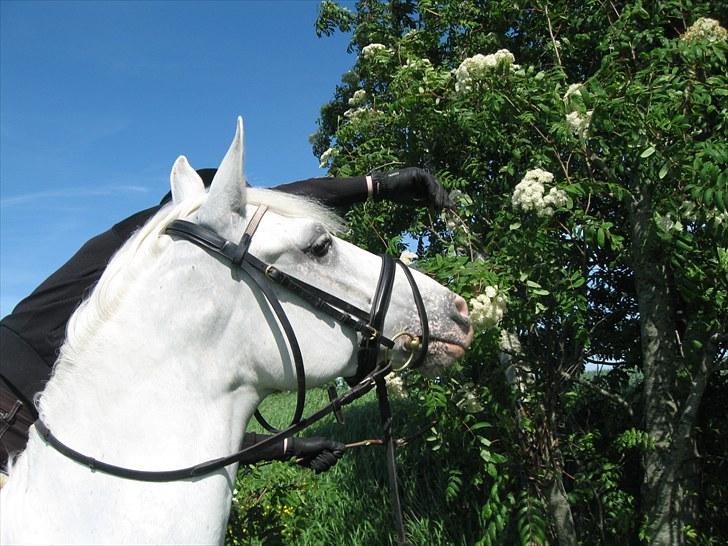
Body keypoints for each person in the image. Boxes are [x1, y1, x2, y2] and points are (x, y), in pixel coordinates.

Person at [0, 167, 451, 472]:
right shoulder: (157, 235)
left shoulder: (161, 324)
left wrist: (287, 447)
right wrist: (377, 185)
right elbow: (289, 203)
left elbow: (179, 435)